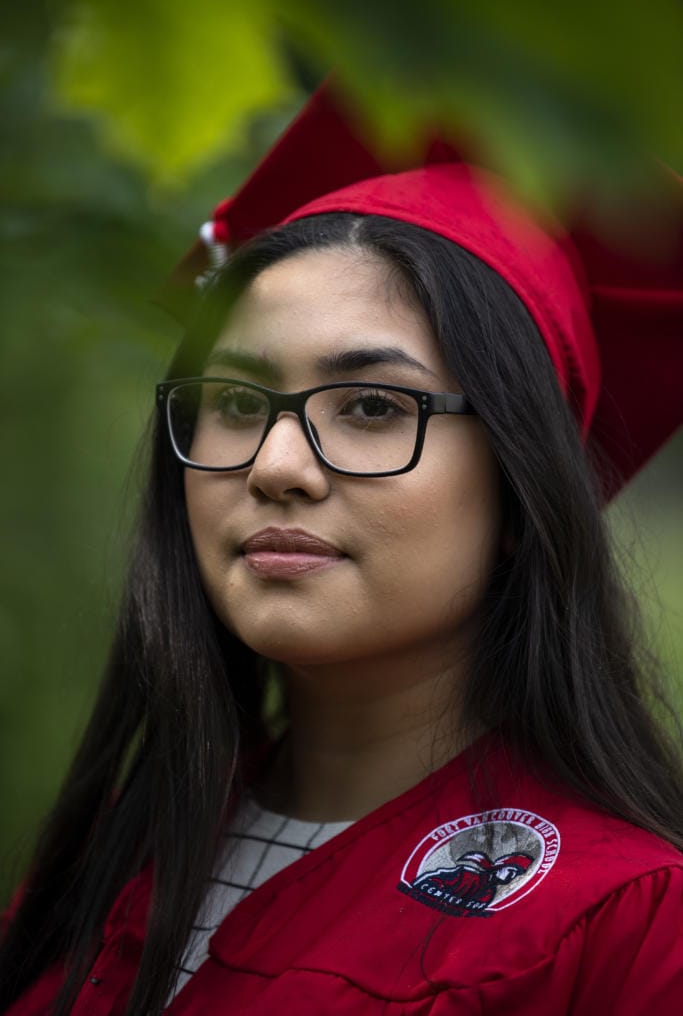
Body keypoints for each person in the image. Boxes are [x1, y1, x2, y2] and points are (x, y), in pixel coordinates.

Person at [1, 85, 682, 1016]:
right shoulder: (108, 863)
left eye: (371, 408)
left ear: (523, 493)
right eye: (236, 403)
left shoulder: (624, 928)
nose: (276, 467)